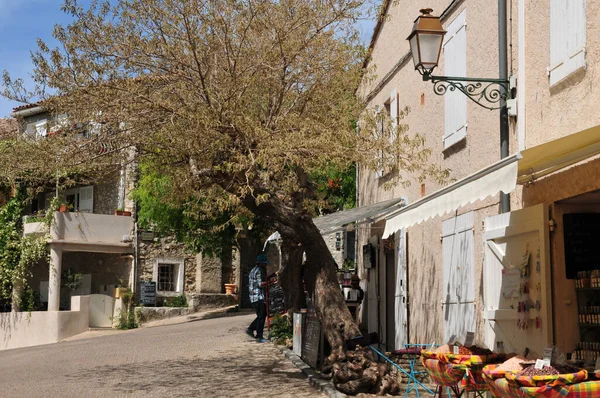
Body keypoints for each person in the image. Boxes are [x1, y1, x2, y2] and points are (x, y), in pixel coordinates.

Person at [246, 253, 269, 342]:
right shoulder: (259, 270)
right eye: (265, 263)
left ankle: (251, 329)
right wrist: (270, 282)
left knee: (261, 315)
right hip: (258, 296)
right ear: (261, 263)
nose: (266, 265)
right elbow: (260, 284)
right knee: (261, 316)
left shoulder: (253, 270)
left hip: (253, 297)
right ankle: (259, 336)